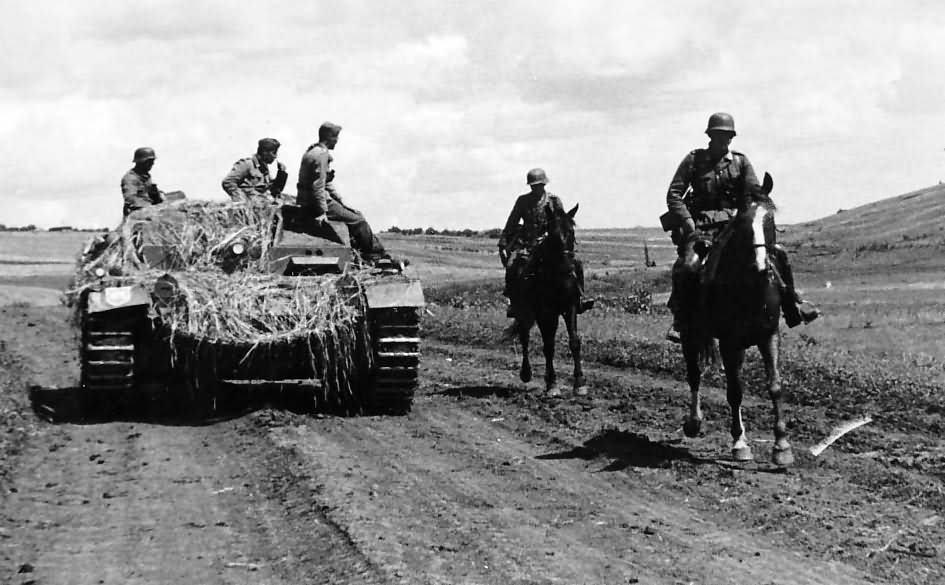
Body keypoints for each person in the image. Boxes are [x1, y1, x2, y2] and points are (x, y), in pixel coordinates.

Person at [663, 112, 819, 343]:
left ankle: (792, 306)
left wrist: (752, 211)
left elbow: (753, 195)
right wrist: (688, 223)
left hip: (734, 228)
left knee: (777, 255)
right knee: (688, 266)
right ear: (710, 136)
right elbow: (674, 194)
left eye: (727, 136)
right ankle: (681, 320)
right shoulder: (694, 160)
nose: (723, 140)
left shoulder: (740, 162)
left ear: (732, 137)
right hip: (702, 229)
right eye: (718, 135)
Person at [498, 168, 595, 318]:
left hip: (551, 244)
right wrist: (503, 243)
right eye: (533, 186)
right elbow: (512, 222)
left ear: (544, 184)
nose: (536, 188)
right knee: (512, 264)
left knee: (576, 263)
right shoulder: (522, 201)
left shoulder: (554, 200)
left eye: (539, 185)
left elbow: (562, 222)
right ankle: (514, 302)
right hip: (528, 244)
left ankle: (580, 298)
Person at [296, 122, 389, 262]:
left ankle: (364, 253)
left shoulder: (312, 151)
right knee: (359, 221)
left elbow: (325, 182)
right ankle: (375, 256)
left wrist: (341, 202)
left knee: (356, 213)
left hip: (307, 200)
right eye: (335, 137)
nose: (337, 141)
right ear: (329, 137)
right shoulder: (321, 155)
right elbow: (318, 186)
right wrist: (322, 211)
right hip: (314, 204)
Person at [221, 138, 288, 203]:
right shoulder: (247, 164)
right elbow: (228, 182)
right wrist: (241, 200)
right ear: (265, 152)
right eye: (274, 153)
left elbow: (274, 191)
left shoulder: (263, 169)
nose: (275, 156)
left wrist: (281, 174)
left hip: (262, 204)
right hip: (249, 206)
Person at [121, 147, 165, 217]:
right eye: (149, 161)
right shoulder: (130, 178)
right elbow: (131, 199)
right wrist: (150, 207)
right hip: (137, 215)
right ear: (141, 162)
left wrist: (159, 195)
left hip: (150, 210)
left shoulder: (145, 176)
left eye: (152, 161)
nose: (152, 164)